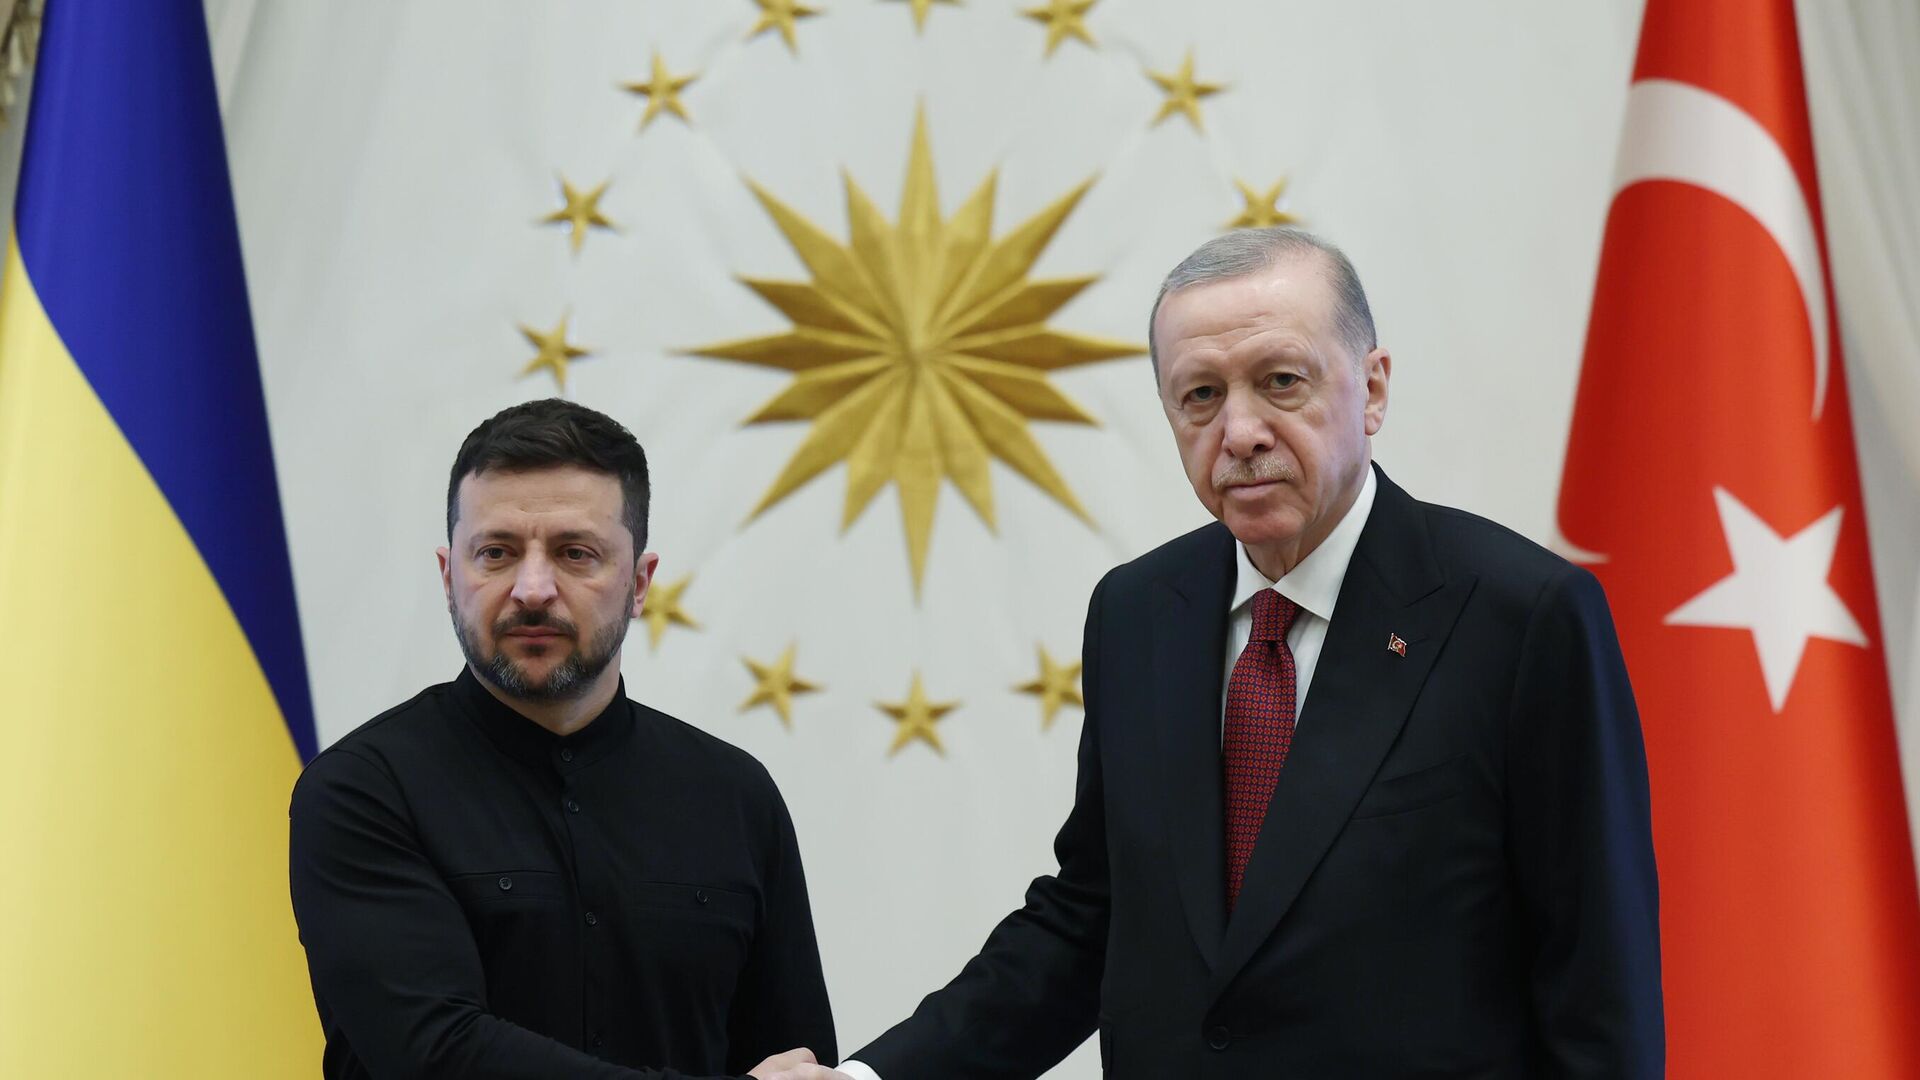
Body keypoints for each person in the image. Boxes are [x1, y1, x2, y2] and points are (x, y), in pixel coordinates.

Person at [835, 228, 1664, 1078]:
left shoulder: (1521, 617)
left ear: (1373, 390)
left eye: (1280, 382)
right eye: (1200, 395)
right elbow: (1091, 918)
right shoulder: (1136, 614)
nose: (1239, 432)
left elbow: (1599, 993)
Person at [289, 400, 842, 1080]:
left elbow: (795, 1063)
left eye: (575, 553)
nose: (532, 589)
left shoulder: (736, 797)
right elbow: (437, 1055)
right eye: (496, 553)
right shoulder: (362, 791)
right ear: (449, 577)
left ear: (640, 583)